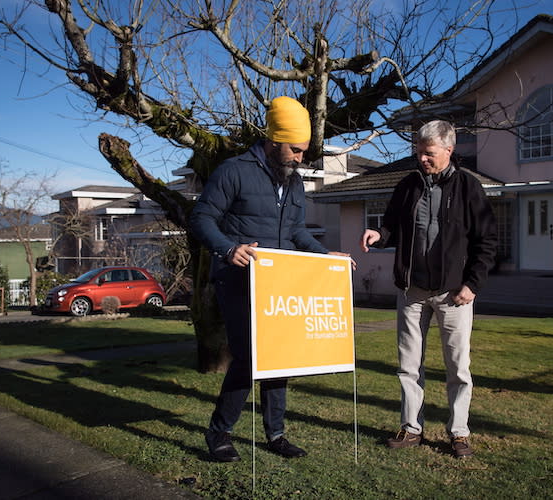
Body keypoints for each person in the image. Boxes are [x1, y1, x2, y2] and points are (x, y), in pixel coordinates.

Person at [191, 96, 348, 462]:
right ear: (274, 141)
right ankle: (219, 434)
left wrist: (327, 256)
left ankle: (275, 434)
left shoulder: (294, 184)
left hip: (279, 284)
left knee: (281, 358)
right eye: (295, 150)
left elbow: (296, 232)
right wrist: (229, 249)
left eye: (305, 152)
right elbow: (201, 218)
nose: (300, 158)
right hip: (236, 279)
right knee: (247, 356)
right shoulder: (234, 171)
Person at [359, 120, 497, 459]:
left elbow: (487, 240)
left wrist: (472, 284)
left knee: (457, 368)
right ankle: (411, 428)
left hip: (454, 295)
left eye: (429, 153)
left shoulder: (468, 187)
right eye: (418, 152)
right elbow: (391, 223)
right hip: (412, 290)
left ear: (449, 151)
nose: (422, 158)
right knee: (408, 365)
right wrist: (380, 235)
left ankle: (459, 432)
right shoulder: (407, 185)